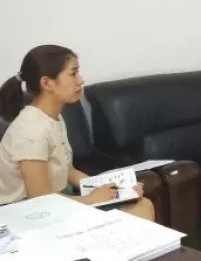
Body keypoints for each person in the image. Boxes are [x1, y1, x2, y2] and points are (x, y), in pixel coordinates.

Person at [0, 45, 155, 221]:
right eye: (73, 73)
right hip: (24, 214)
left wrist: (113, 187)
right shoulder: (31, 131)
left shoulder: (53, 117)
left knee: (141, 204)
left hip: (54, 201)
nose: (80, 80)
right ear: (47, 83)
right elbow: (40, 199)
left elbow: (67, 170)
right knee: (138, 211)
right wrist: (91, 199)